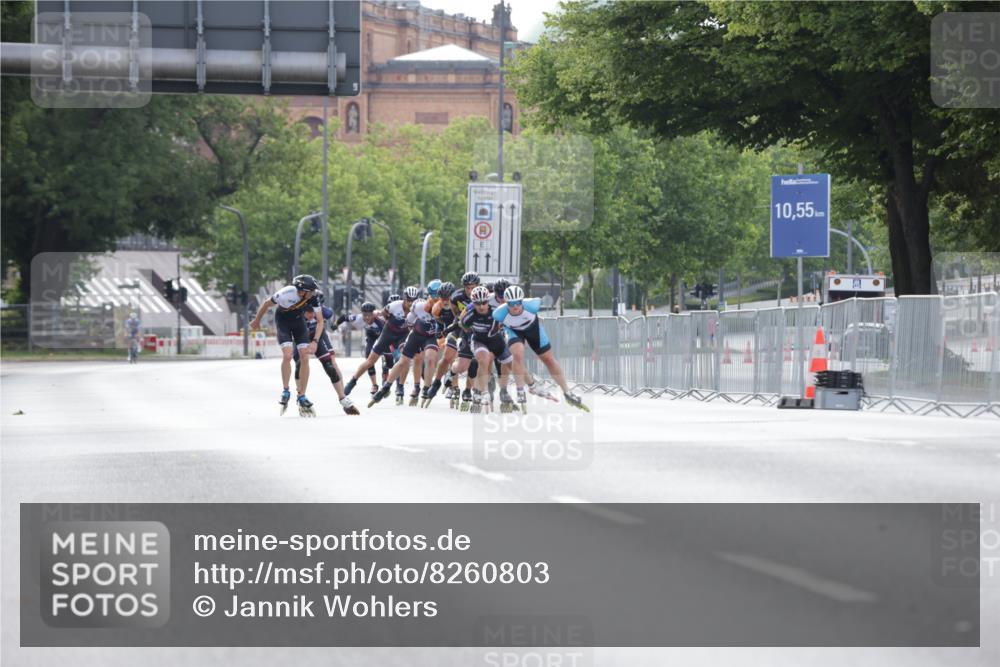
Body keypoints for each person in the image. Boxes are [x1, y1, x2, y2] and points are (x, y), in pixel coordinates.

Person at [493, 284, 587, 412]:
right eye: (511, 303)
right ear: (506, 302)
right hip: (514, 332)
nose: (515, 306)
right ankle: (520, 389)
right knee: (518, 353)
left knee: (548, 359)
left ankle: (567, 392)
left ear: (522, 301)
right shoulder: (498, 313)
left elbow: (540, 300)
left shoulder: (533, 305)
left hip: (533, 330)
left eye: (518, 303)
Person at [250, 274, 323, 417]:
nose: (314, 293)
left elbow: (321, 321)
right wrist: (256, 320)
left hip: (299, 323)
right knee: (288, 355)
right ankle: (285, 390)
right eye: (311, 291)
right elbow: (266, 304)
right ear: (302, 290)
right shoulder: (285, 293)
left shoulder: (313, 298)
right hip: (283, 322)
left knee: (305, 357)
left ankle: (302, 395)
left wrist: (315, 341)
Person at [368, 286, 443, 408]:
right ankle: (386, 386)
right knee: (403, 361)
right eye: (431, 303)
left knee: (430, 359)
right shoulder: (419, 306)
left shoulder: (444, 309)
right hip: (417, 334)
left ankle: (426, 388)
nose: (434, 306)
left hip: (430, 337)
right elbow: (409, 323)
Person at [343, 287, 417, 398]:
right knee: (370, 361)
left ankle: (400, 386)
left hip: (402, 335)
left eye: (413, 300)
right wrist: (380, 314)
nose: (410, 303)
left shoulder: (418, 308)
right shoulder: (394, 305)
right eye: (408, 300)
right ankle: (353, 381)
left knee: (404, 358)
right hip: (388, 333)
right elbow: (383, 313)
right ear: (404, 299)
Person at [457, 285, 514, 413]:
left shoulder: (504, 305)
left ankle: (503, 391)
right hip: (480, 338)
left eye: (484, 302)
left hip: (496, 337)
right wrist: (470, 332)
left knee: (504, 362)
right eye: (478, 303)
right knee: (485, 361)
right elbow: (462, 322)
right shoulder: (472, 307)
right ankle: (479, 391)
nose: (482, 305)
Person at [297, 304, 359, 415]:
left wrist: (315, 341)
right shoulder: (296, 312)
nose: (312, 315)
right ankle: (301, 397)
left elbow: (330, 315)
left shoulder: (321, 310)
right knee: (300, 365)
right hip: (300, 338)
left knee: (330, 366)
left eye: (313, 312)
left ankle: (343, 398)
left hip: (316, 337)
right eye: (308, 312)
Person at [335, 302, 391, 394]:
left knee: (388, 359)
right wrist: (335, 324)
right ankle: (374, 385)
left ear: (373, 313)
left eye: (369, 315)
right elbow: (344, 317)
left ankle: (385, 375)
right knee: (368, 355)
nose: (367, 318)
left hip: (384, 336)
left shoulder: (380, 318)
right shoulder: (358, 318)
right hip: (371, 336)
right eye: (365, 315)